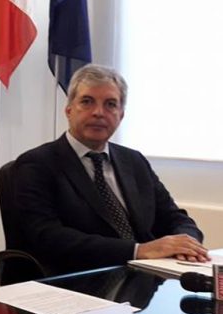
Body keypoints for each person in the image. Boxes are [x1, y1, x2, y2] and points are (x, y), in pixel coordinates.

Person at [13, 64, 208, 276]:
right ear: (69, 110)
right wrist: (138, 250)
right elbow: (47, 237)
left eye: (110, 104)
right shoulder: (36, 164)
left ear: (121, 115)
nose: (98, 112)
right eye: (87, 102)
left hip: (145, 278)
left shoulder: (134, 161)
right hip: (78, 279)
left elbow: (174, 217)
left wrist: (188, 244)